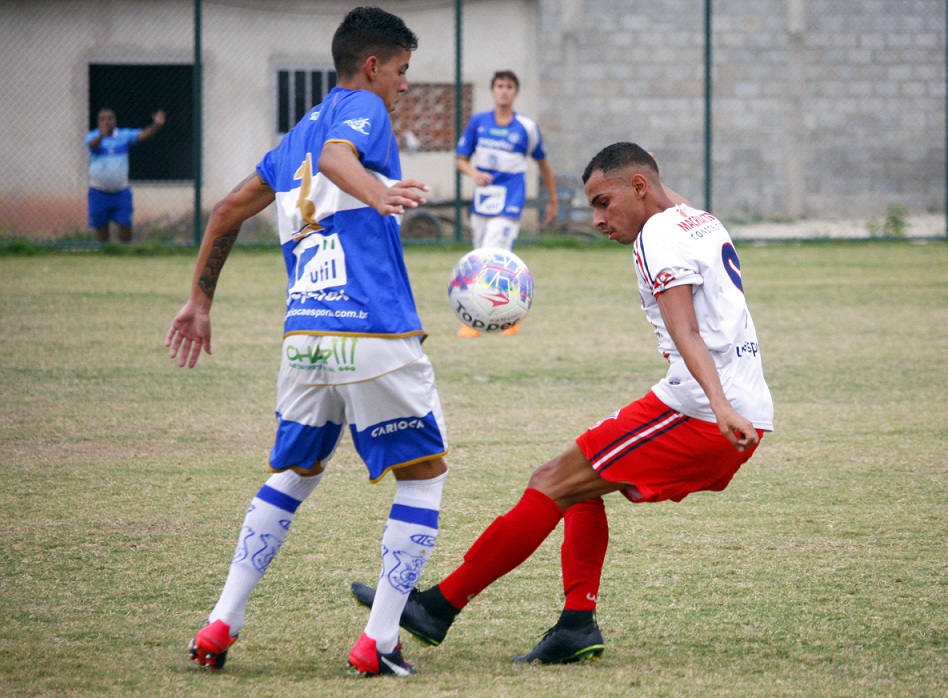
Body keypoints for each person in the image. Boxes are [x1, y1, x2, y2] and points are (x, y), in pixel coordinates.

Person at [351, 142, 774, 665]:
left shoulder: (657, 237)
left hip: (703, 411)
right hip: (727, 405)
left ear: (639, 188)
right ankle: (576, 624)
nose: (597, 218)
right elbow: (660, 198)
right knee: (574, 485)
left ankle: (437, 608)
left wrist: (720, 405)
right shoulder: (697, 220)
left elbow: (686, 328)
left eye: (603, 201)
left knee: (550, 482)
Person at [165, 7, 450, 678]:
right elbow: (338, 156)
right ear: (374, 66)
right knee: (425, 478)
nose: (406, 85)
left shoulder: (294, 133)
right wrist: (378, 195)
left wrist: (199, 299)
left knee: (293, 475)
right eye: (404, 71)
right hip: (372, 328)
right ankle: (377, 641)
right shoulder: (362, 109)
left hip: (306, 340)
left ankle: (220, 624)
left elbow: (227, 209)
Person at [454, 70, 558, 337]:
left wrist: (552, 199)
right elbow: (461, 160)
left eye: (509, 86)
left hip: (510, 201)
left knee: (492, 254)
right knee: (480, 257)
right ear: (492, 90)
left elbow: (543, 164)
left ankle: (482, 320)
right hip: (483, 201)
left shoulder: (526, 127)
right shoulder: (478, 123)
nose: (504, 91)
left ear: (516, 92)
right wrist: (473, 173)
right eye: (500, 86)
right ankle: (499, 317)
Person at [86, 107, 166, 243]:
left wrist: (156, 125)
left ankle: (125, 252)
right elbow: (92, 145)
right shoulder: (93, 136)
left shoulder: (123, 136)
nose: (107, 122)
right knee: (101, 227)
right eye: (103, 119)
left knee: (125, 225)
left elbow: (143, 135)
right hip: (98, 192)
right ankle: (104, 253)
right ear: (98, 122)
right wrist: (102, 135)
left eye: (110, 118)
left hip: (121, 191)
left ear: (115, 121)